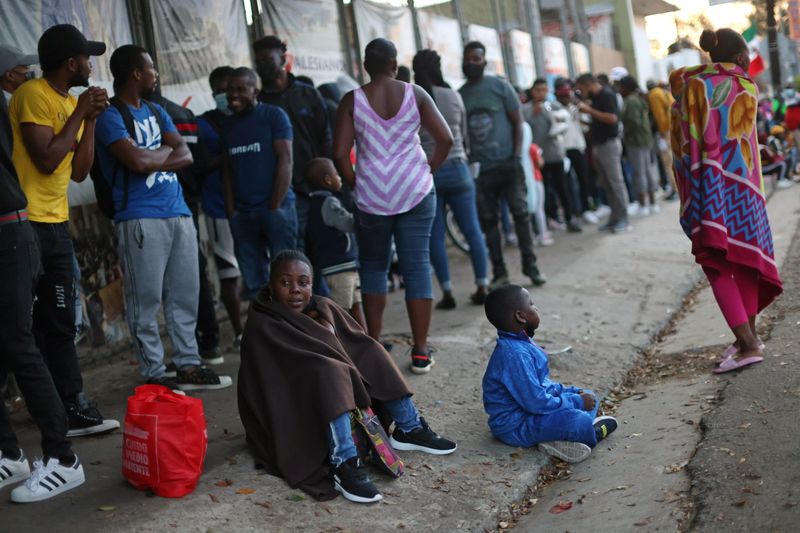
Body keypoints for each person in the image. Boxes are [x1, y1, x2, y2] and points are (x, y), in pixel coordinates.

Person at [237, 250, 457, 503]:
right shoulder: (262, 321)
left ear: (312, 283)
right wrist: (327, 348)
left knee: (372, 350)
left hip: (330, 389)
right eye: (285, 283)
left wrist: (327, 330)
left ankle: (409, 427)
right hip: (289, 403)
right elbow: (271, 377)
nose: (295, 289)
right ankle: (344, 462)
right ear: (271, 286)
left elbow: (356, 342)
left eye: (303, 282)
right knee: (329, 370)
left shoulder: (323, 306)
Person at [95, 44, 231, 391]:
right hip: (139, 218)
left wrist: (151, 157)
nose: (156, 74)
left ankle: (187, 365)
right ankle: (154, 372)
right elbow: (136, 163)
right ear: (136, 73)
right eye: (151, 68)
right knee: (145, 300)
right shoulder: (111, 116)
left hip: (179, 213)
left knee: (185, 294)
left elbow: (185, 155)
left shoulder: (156, 111)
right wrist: (155, 156)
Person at [9, 24, 118, 436]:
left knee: (58, 320)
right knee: (31, 324)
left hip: (55, 222)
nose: (91, 66)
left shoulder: (71, 101)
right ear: (72, 63)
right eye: (87, 58)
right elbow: (46, 160)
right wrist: (78, 114)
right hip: (27, 224)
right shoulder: (31, 95)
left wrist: (90, 120)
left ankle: (69, 407)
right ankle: (61, 406)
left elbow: (80, 172)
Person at [333, 39, 453, 374]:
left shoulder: (351, 101)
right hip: (415, 190)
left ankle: (373, 344)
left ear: (366, 66)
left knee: (373, 267)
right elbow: (445, 140)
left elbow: (341, 154)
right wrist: (425, 170)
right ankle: (420, 350)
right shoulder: (416, 94)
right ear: (394, 64)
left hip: (372, 196)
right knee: (416, 266)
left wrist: (357, 182)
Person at [0, 42, 86, 504]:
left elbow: (62, 163)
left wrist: (85, 118)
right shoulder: (24, 98)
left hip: (19, 231)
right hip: (20, 229)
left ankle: (63, 456)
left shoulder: (20, 101)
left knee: (24, 340)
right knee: (9, 342)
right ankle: (9, 453)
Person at [671, 28, 783, 374]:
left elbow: (677, 98)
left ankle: (748, 343)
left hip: (708, 185)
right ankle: (747, 339)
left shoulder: (691, 85)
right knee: (746, 259)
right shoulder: (749, 87)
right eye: (747, 55)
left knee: (716, 262)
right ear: (738, 58)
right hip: (746, 189)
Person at [481, 284, 618, 463]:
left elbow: (542, 385)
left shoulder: (521, 343)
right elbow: (535, 402)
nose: (536, 308)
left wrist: (569, 393)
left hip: (533, 412)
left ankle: (556, 439)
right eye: (531, 304)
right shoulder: (515, 354)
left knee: (589, 396)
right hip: (516, 426)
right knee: (579, 421)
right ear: (520, 316)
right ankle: (593, 433)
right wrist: (575, 402)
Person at [459, 41, 546, 288]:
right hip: (481, 171)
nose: (471, 63)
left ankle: (531, 266)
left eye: (476, 59)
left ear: (484, 62)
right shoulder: (462, 94)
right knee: (489, 222)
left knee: (520, 215)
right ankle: (499, 272)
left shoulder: (500, 87)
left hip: (508, 165)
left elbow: (517, 122)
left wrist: (516, 156)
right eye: (467, 59)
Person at [146, 91, 223, 367]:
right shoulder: (180, 114)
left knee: (180, 278)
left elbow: (191, 158)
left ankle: (197, 349)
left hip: (171, 205)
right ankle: (204, 344)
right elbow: (195, 161)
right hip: (183, 203)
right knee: (190, 276)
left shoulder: (164, 114)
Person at [412, 49, 489, 310]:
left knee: (435, 235)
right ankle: (482, 284)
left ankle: (447, 292)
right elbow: (463, 136)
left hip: (429, 171)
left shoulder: (414, 98)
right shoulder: (454, 96)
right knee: (472, 229)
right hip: (458, 167)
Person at [223, 66, 296, 300]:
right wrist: (232, 210)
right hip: (243, 214)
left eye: (240, 89)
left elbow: (286, 159)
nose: (233, 94)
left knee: (285, 278)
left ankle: (292, 332)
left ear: (256, 91)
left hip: (275, 210)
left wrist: (274, 204)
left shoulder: (274, 116)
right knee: (254, 283)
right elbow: (227, 169)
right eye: (230, 89)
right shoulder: (228, 125)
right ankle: (266, 333)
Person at [254, 36, 331, 251]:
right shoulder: (259, 103)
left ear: (283, 59)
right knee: (293, 251)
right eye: (258, 62)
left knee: (322, 249)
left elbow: (325, 138)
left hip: (314, 187)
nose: (263, 67)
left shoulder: (308, 95)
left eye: (268, 60)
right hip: (281, 191)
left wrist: (326, 180)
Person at [196, 66, 243, 349]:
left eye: (233, 89)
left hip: (252, 207)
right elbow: (198, 164)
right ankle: (240, 332)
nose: (227, 95)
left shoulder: (251, 119)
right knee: (229, 274)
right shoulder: (204, 124)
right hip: (218, 209)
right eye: (221, 90)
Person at [304, 157, 366, 330]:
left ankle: (367, 344)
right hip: (340, 268)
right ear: (328, 180)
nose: (340, 178)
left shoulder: (314, 203)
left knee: (355, 305)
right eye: (337, 174)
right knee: (341, 313)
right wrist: (362, 212)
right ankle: (338, 347)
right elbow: (349, 224)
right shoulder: (329, 203)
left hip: (341, 267)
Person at [575, 73, 631, 233]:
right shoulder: (598, 96)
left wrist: (589, 110)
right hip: (599, 145)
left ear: (588, 84)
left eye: (582, 89)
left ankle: (624, 219)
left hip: (609, 144)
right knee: (607, 184)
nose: (582, 93)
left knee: (616, 182)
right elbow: (600, 120)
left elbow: (612, 118)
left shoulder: (607, 94)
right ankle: (615, 218)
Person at [527, 78, 581, 233]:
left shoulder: (554, 106)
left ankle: (571, 218)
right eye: (538, 90)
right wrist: (533, 114)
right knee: (543, 191)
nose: (541, 93)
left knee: (563, 189)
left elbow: (565, 122)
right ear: (533, 91)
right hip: (538, 158)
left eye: (544, 90)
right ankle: (550, 220)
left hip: (556, 154)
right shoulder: (526, 110)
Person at [554, 78, 597, 223]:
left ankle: (585, 209)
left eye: (568, 93)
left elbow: (587, 124)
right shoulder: (553, 109)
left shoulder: (576, 107)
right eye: (563, 93)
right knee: (566, 184)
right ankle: (572, 212)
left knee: (583, 180)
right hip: (563, 150)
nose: (566, 96)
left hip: (578, 147)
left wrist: (579, 107)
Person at [619, 76, 659, 216]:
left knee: (640, 173)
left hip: (636, 141)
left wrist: (626, 133)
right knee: (647, 171)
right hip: (645, 139)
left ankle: (643, 204)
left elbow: (633, 122)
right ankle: (652, 203)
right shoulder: (639, 98)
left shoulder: (630, 101)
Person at [647, 79, 677, 200]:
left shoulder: (654, 94)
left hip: (666, 131)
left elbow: (659, 116)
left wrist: (662, 133)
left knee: (668, 161)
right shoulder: (664, 92)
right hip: (674, 127)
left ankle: (675, 189)